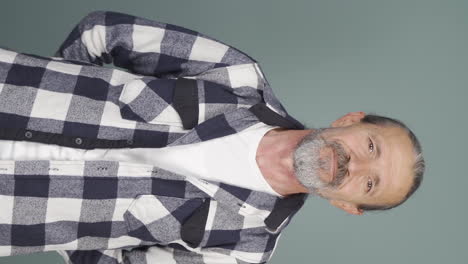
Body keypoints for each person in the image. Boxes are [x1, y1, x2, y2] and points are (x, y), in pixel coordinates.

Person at [0, 10, 424, 264]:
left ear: (347, 205)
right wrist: (52, 90)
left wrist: (48, 223)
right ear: (351, 119)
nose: (355, 164)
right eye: (371, 146)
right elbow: (104, 32)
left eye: (370, 183)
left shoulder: (241, 251)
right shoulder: (236, 77)